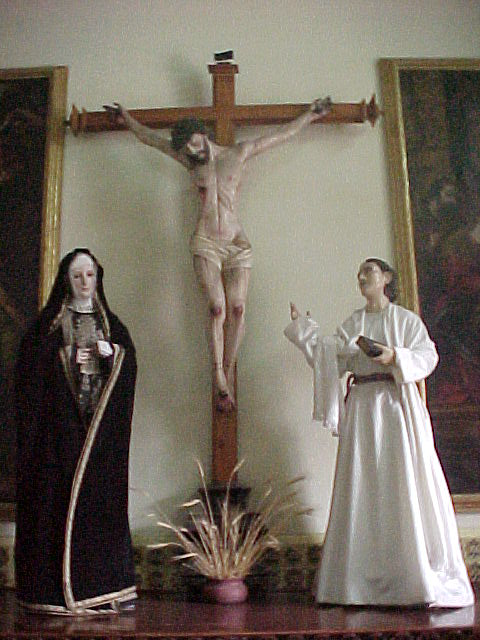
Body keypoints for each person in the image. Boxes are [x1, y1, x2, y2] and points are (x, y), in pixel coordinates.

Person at [105, 97, 331, 410]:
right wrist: (126, 119)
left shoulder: (238, 153)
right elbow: (151, 139)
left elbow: (281, 135)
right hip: (206, 241)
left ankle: (228, 371)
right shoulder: (190, 162)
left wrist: (310, 115)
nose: (189, 150)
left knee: (237, 308)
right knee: (216, 308)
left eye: (192, 143)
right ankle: (218, 376)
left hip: (237, 243)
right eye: (185, 148)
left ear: (201, 134)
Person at [284, 258, 474, 607]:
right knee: (364, 482)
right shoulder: (353, 323)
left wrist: (395, 356)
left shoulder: (405, 321)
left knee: (403, 478)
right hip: (363, 408)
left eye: (368, 271)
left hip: (397, 407)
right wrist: (303, 332)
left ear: (386, 278)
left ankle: (412, 577)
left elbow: (428, 356)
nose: (361, 277)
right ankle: (358, 581)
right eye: (359, 273)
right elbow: (330, 358)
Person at [15, 249, 138, 615]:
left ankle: (102, 588)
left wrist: (112, 355)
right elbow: (30, 370)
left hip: (98, 436)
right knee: (54, 503)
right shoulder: (48, 327)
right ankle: (53, 592)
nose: (85, 282)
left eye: (90, 275)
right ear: (67, 281)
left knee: (100, 508)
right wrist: (67, 359)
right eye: (78, 276)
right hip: (60, 435)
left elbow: (128, 364)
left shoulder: (112, 325)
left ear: (98, 278)